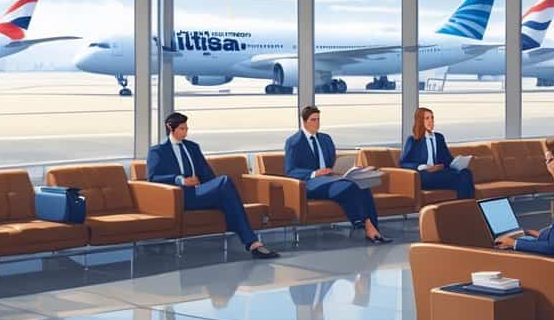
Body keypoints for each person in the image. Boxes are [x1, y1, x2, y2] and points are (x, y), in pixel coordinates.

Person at [147, 112, 279, 259]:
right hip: (179, 196)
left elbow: (206, 173)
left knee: (225, 192)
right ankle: (252, 242)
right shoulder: (157, 151)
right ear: (170, 128)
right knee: (225, 183)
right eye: (182, 129)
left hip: (197, 193)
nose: (185, 132)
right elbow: (153, 177)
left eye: (186, 129)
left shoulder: (192, 147)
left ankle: (253, 243)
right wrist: (180, 180)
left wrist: (212, 188)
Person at [284, 105, 391, 243]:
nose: (317, 123)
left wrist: (354, 169)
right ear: (304, 122)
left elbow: (333, 163)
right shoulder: (294, 142)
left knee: (363, 186)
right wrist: (314, 173)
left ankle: (372, 228)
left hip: (332, 178)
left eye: (318, 119)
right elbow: (290, 170)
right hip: (311, 183)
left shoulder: (325, 139)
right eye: (313, 120)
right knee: (351, 187)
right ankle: (366, 227)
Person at [399, 107, 475, 200]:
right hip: (425, 175)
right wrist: (424, 167)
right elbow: (404, 163)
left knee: (466, 173)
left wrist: (458, 163)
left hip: (440, 173)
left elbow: (447, 160)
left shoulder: (439, 137)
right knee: (459, 180)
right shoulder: (413, 140)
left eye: (432, 118)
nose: (431, 121)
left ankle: (465, 208)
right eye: (427, 118)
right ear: (420, 121)